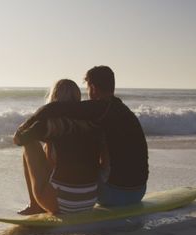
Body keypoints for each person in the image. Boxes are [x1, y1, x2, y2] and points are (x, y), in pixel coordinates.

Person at [17, 66, 148, 207]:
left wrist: (26, 126)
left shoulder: (100, 108)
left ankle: (40, 203)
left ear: (92, 87)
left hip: (112, 195)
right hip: (138, 192)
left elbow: (53, 108)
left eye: (87, 88)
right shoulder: (122, 110)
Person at [13, 79, 102, 215]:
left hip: (63, 204)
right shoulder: (90, 123)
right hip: (89, 200)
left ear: (54, 98)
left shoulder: (53, 125)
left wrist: (35, 119)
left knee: (30, 144)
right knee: (51, 148)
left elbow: (19, 139)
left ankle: (35, 206)